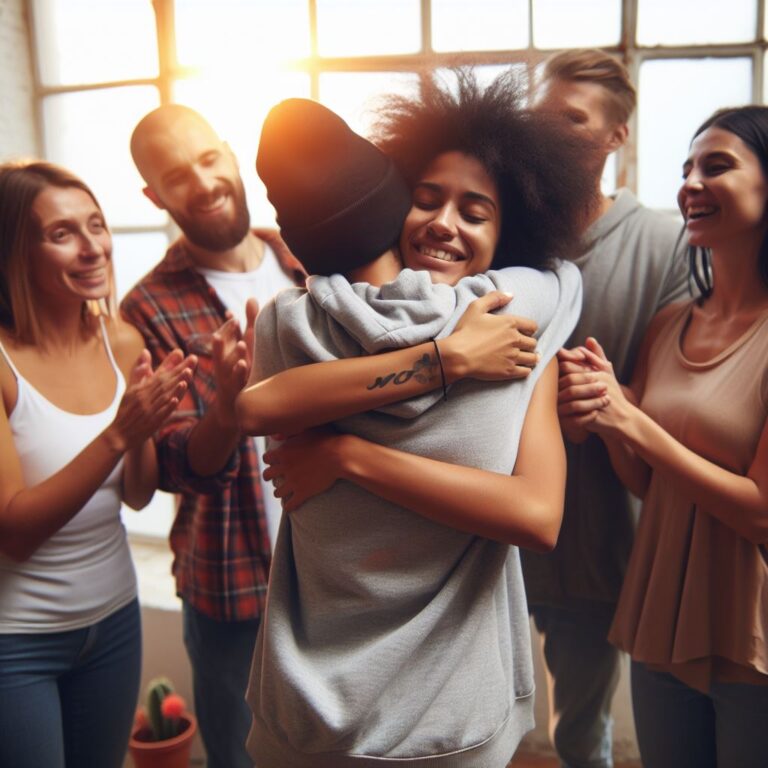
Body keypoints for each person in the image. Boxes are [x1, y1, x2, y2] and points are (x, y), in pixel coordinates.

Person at [238, 70, 593, 767]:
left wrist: (351, 458)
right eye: (426, 200)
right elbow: (536, 515)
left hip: (381, 708)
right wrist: (445, 359)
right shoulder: (525, 318)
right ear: (391, 202)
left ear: (509, 227)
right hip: (406, 711)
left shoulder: (292, 325)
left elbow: (538, 518)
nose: (443, 223)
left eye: (474, 212)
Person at [558, 105, 768, 768]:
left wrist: (634, 424)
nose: (691, 183)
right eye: (685, 169)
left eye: (718, 165)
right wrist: (607, 411)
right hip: (659, 618)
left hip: (750, 630)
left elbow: (762, 510)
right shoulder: (670, 322)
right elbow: (645, 482)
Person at [119, 104, 306, 768]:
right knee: (240, 757)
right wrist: (226, 413)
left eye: (207, 159)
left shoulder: (308, 259)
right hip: (235, 590)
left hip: (341, 569)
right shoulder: (147, 306)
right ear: (153, 196)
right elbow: (179, 465)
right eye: (176, 175)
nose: (202, 183)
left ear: (229, 153)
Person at [523, 48, 691, 768]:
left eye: (574, 119)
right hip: (489, 536)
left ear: (616, 135)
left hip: (597, 542)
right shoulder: (506, 231)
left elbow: (680, 395)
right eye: (541, 118)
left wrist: (616, 399)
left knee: (578, 731)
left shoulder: (664, 240)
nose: (550, 134)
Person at [0, 161, 194, 768]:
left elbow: (135, 495)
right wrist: (120, 433)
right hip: (16, 642)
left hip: (113, 622)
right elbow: (16, 532)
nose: (93, 249)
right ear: (14, 252)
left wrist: (140, 431)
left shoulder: (123, 341)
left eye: (96, 226)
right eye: (63, 234)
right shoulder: (4, 365)